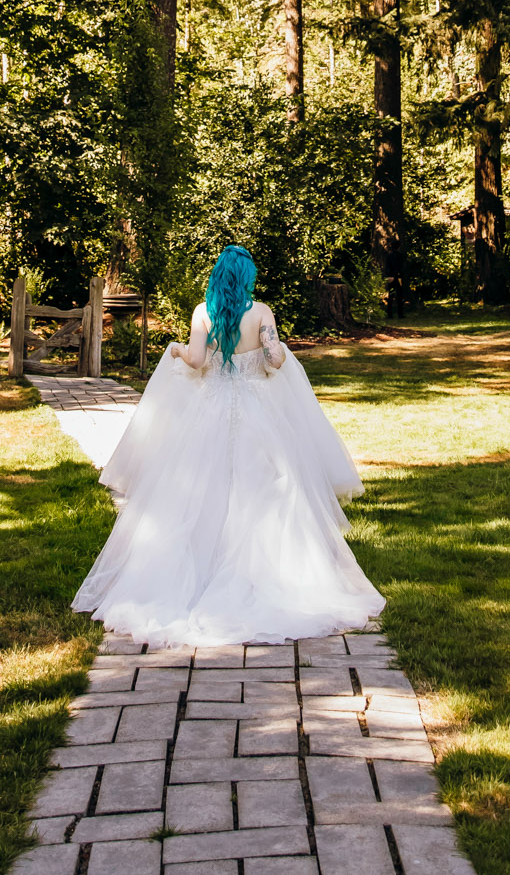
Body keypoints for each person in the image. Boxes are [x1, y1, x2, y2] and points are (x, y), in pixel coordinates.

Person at [72, 244, 384, 648]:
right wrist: (272, 350)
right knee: (270, 487)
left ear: (218, 276)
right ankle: (275, 577)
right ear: (247, 277)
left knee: (201, 488)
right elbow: (274, 361)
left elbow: (198, 361)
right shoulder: (262, 313)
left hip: (210, 409)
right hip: (260, 412)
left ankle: (199, 571)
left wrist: (178, 350)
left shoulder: (204, 312)